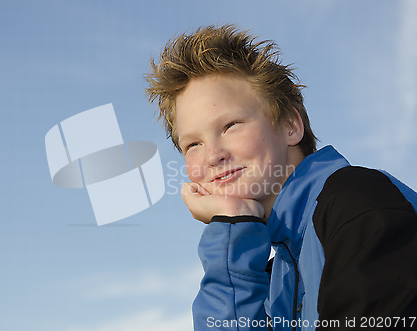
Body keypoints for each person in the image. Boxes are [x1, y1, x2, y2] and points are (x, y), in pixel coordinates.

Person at [145, 25, 417, 330]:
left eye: (231, 125)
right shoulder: (276, 276)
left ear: (290, 125)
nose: (212, 156)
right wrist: (233, 231)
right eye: (193, 144)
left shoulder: (359, 204)